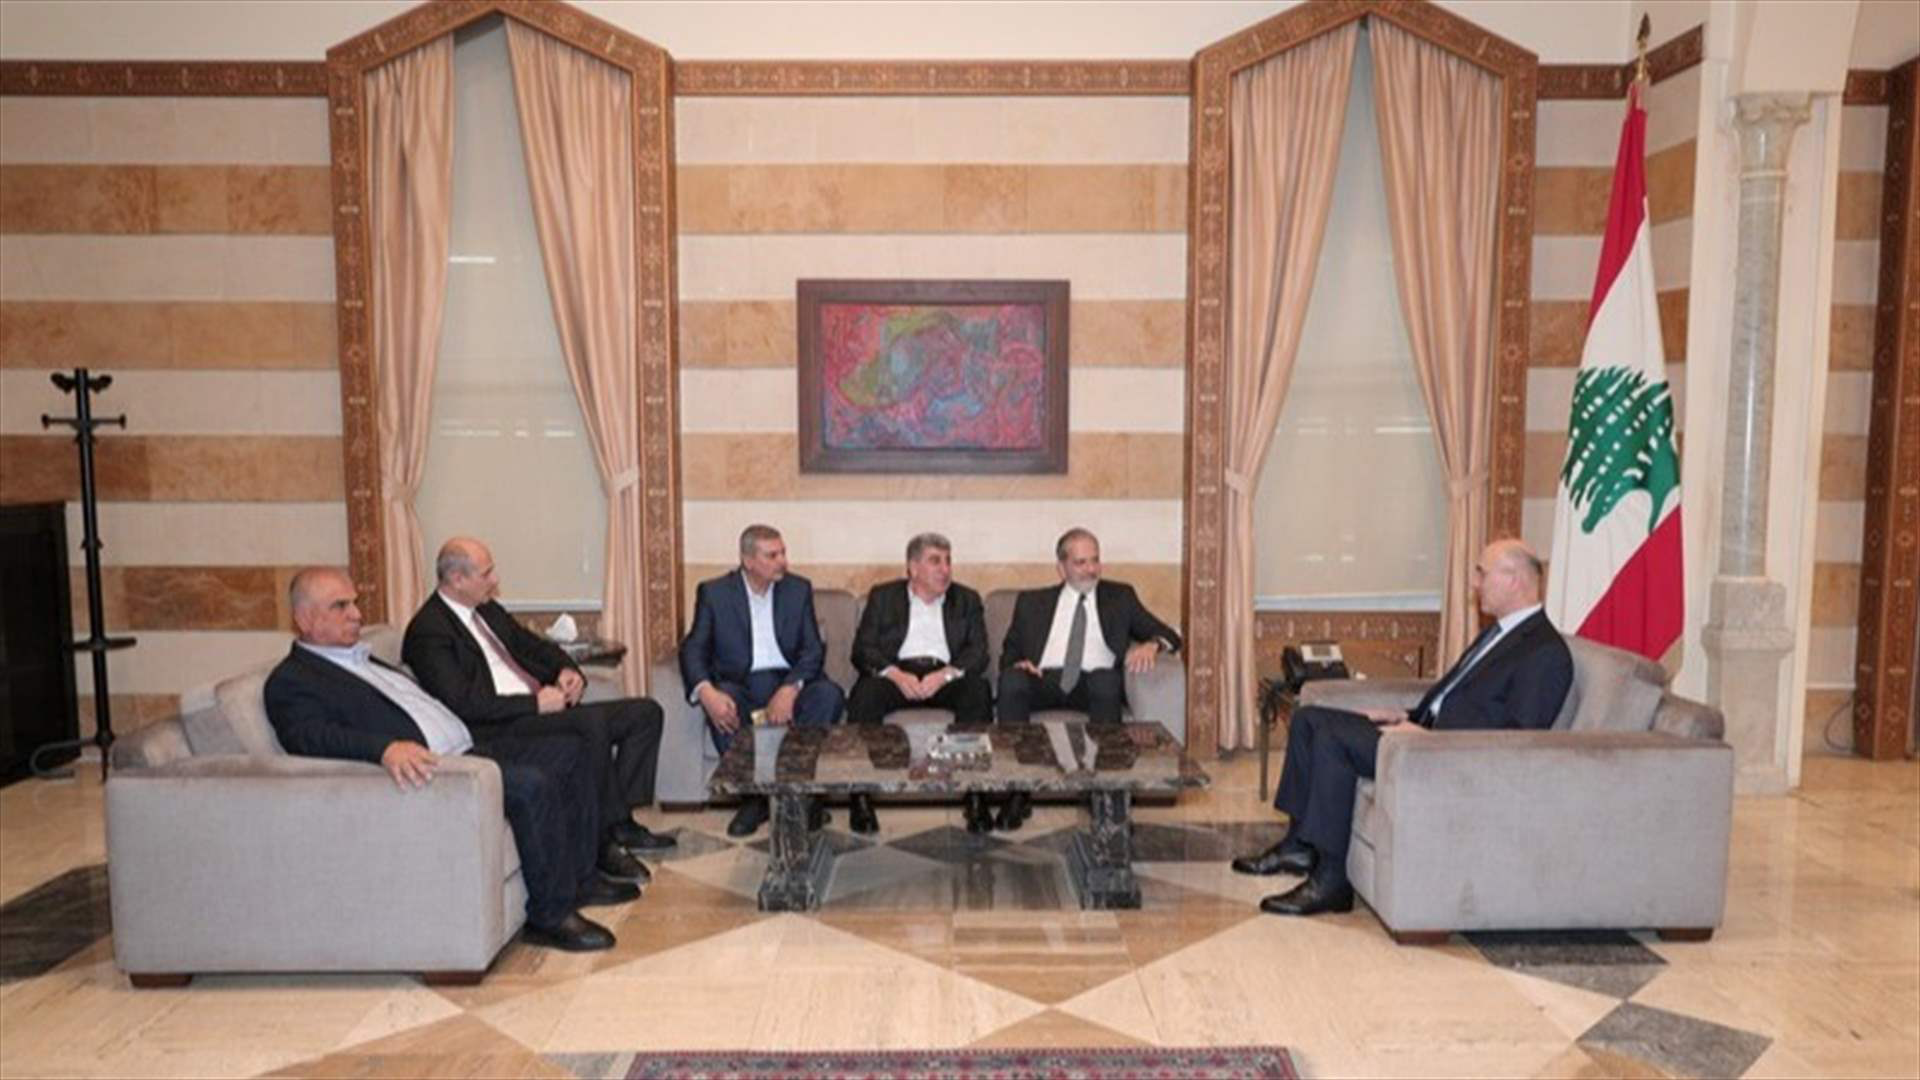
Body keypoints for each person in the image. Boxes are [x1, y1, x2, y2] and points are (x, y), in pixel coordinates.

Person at [263, 567, 633, 952]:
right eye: (340, 606)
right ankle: (550, 915)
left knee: (572, 749)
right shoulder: (293, 680)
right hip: (441, 768)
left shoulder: (361, 658)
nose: (356, 614)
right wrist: (383, 749)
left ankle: (582, 878)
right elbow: (308, 736)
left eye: (354, 603)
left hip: (470, 745)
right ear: (304, 619)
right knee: (531, 785)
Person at [1232, 538, 1575, 917]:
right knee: (1308, 718)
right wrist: (1406, 716)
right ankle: (1298, 845)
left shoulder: (1545, 651)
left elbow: (1518, 737)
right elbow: (1461, 700)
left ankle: (1331, 881)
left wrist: (1430, 738)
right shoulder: (1499, 634)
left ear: (1513, 579)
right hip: (1422, 737)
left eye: (1482, 573)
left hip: (1446, 755)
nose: (1474, 582)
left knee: (1332, 738)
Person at [403, 538, 673, 892]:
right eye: (486, 573)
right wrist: (534, 705)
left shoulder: (487, 610)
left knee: (644, 713)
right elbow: (464, 703)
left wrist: (566, 670)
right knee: (589, 723)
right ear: (457, 579)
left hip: (539, 708)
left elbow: (533, 645)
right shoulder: (429, 631)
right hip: (501, 726)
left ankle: (618, 820)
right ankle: (603, 841)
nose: (495, 580)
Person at [995, 527, 1182, 831]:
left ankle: (1106, 795)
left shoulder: (1120, 597)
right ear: (1062, 567)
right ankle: (1016, 791)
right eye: (1080, 562)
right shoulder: (1031, 602)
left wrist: (1152, 645)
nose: (1091, 569)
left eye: (1095, 560)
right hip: (1044, 678)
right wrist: (1020, 663)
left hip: (1093, 682)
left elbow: (1169, 634)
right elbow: (1009, 653)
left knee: (1105, 681)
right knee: (1011, 681)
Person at [680, 524, 846, 837]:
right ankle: (754, 798)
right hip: (742, 684)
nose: (782, 561)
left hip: (788, 679)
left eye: (783, 553)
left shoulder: (798, 589)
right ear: (748, 561)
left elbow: (812, 649)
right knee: (722, 700)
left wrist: (790, 688)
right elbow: (694, 648)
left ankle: (804, 795)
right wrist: (705, 691)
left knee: (829, 695)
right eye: (772, 555)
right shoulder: (714, 593)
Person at [845, 532, 993, 834]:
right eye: (935, 561)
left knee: (977, 691)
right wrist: (896, 674)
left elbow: (979, 652)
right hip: (899, 674)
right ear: (913, 568)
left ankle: (975, 794)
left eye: (948, 561)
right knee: (865, 693)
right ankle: (860, 796)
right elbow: (863, 649)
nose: (945, 569)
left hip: (945, 674)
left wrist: (945, 675)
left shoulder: (967, 599)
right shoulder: (883, 597)